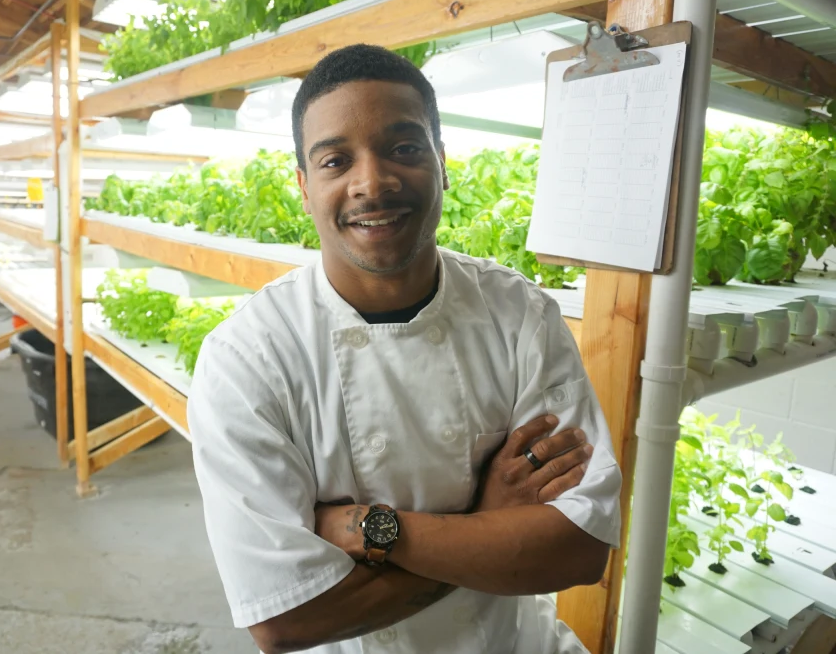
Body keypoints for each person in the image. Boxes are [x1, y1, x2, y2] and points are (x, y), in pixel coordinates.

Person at [188, 43, 621, 654]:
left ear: (442, 162)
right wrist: (485, 526)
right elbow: (286, 621)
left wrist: (374, 531)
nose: (374, 182)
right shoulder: (249, 358)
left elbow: (579, 549)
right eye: (337, 160)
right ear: (305, 188)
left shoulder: (518, 314)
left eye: (404, 148)